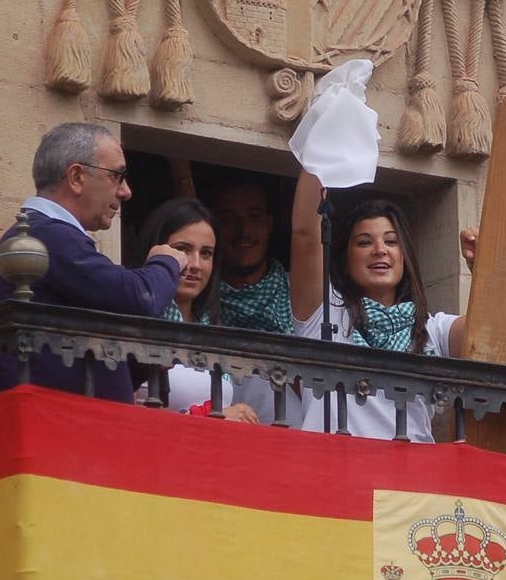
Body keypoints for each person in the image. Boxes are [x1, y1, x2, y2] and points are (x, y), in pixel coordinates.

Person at [0, 122, 186, 404]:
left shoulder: (42, 232)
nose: (126, 191)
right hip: (57, 426)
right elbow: (138, 297)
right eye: (117, 176)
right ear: (76, 177)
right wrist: (167, 261)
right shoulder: (47, 234)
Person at [289, 170, 469, 441]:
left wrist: (485, 268)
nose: (379, 249)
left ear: (404, 256)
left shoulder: (434, 330)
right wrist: (321, 148)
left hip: (406, 480)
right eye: (364, 242)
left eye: (391, 241)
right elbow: (305, 233)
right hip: (333, 476)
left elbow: (491, 337)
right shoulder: (324, 314)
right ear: (345, 260)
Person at [134, 197, 258, 422]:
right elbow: (127, 413)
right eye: (182, 249)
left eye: (206, 253)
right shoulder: (138, 322)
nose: (196, 264)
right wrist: (214, 418)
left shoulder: (211, 328)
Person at [204, 173, 303, 424]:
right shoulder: (198, 300)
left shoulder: (302, 295)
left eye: (254, 216)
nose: (244, 230)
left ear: (270, 224)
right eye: (228, 220)